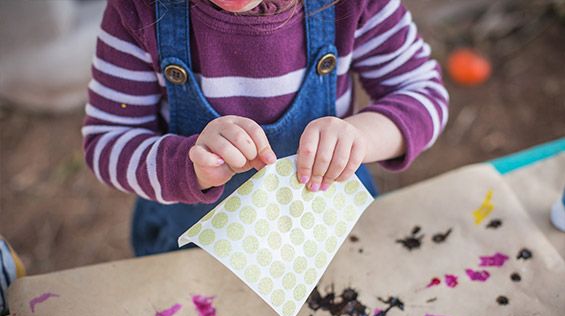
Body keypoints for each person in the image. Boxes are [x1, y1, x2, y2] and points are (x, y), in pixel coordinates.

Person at [82, 0, 449, 256]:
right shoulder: (137, 12)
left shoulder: (354, 5)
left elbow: (423, 94)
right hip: (198, 246)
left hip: (327, 233)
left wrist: (360, 138)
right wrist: (187, 166)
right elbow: (106, 141)